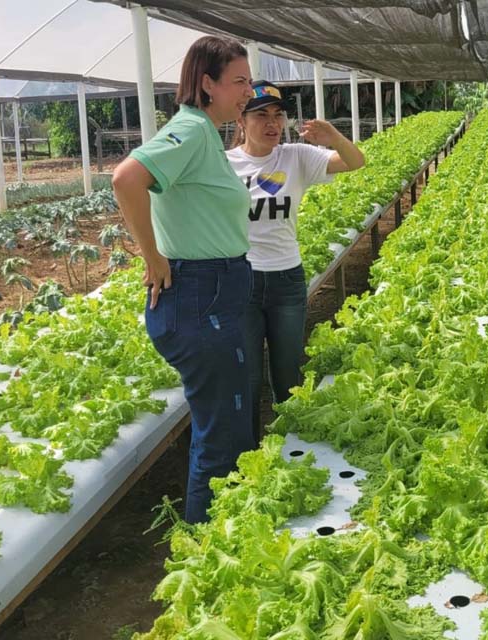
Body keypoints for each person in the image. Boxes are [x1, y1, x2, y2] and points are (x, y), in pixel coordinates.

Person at [112, 35, 255, 524]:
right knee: (221, 436)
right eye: (239, 81)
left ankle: (223, 533)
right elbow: (126, 178)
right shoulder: (192, 129)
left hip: (212, 295)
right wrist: (152, 257)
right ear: (207, 84)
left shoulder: (207, 134)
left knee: (227, 425)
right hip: (200, 297)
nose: (248, 91)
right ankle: (205, 544)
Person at [226, 80, 365, 440]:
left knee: (287, 372)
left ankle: (287, 447)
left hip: (286, 279)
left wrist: (333, 136)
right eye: (261, 115)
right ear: (241, 121)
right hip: (241, 280)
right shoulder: (224, 164)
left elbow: (355, 161)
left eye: (278, 115)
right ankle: (250, 449)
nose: (272, 123)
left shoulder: (296, 156)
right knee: (247, 375)